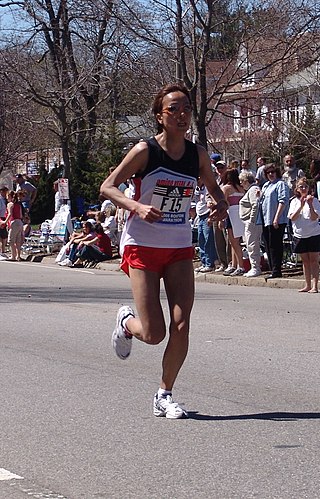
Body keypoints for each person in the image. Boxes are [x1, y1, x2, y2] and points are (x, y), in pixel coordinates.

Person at [100, 82, 228, 419]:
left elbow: (215, 190)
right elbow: (107, 186)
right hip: (142, 244)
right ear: (160, 115)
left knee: (182, 324)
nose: (182, 114)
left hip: (178, 246)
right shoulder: (145, 151)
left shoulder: (197, 154)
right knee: (154, 333)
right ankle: (127, 323)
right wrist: (135, 206)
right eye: (174, 108)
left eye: (187, 107)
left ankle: (164, 393)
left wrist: (220, 205)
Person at [257, 163, 290, 279]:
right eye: (268, 173)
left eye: (273, 172)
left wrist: (276, 217)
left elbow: (283, 201)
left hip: (277, 220)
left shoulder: (280, 184)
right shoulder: (266, 185)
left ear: (277, 172)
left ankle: (277, 270)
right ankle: (272, 268)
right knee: (267, 244)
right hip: (266, 220)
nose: (271, 174)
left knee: (275, 245)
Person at [288, 178, 320, 293]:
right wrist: (301, 205)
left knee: (314, 260)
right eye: (301, 186)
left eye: (305, 186)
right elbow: (292, 217)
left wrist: (310, 205)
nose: (303, 188)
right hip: (300, 235)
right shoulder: (294, 202)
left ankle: (315, 285)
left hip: (313, 234)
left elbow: (314, 217)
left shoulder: (314, 200)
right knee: (305, 261)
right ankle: (307, 284)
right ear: (297, 189)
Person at [220, 168, 245, 276]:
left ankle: (241, 265)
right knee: (234, 242)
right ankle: (234, 265)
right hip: (240, 215)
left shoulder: (226, 188)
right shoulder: (241, 188)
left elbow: (223, 205)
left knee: (234, 242)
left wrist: (221, 219)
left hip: (231, 215)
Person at [239, 171, 262, 277]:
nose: (240, 184)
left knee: (252, 244)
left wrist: (252, 220)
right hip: (249, 221)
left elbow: (255, 204)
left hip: (252, 222)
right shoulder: (252, 190)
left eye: (241, 181)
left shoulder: (253, 190)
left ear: (246, 181)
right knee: (250, 244)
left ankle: (255, 267)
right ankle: (255, 266)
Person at [194, 180, 219, 273]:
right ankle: (204, 262)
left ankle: (209, 264)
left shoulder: (207, 188)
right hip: (200, 216)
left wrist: (211, 216)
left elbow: (211, 202)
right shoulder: (197, 189)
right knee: (201, 240)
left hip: (207, 215)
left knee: (208, 240)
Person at [212, 160, 231, 271]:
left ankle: (230, 262)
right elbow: (209, 194)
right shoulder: (215, 181)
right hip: (215, 212)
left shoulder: (229, 181)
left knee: (227, 239)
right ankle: (223, 263)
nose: (220, 170)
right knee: (218, 240)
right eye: (218, 168)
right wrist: (209, 201)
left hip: (226, 213)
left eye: (222, 167)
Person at [0, 190, 24, 261]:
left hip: (14, 222)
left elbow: (10, 214)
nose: (6, 198)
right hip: (20, 222)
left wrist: (5, 222)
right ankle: (18, 256)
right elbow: (21, 215)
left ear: (10, 196)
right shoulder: (18, 205)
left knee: (11, 240)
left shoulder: (10, 204)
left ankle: (13, 256)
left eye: (7, 196)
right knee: (18, 241)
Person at [0, 185, 9, 253]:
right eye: (5, 192)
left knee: (4, 235)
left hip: (5, 217)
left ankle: (3, 250)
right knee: (2, 235)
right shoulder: (0, 199)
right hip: (1, 218)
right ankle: (2, 250)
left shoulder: (5, 200)